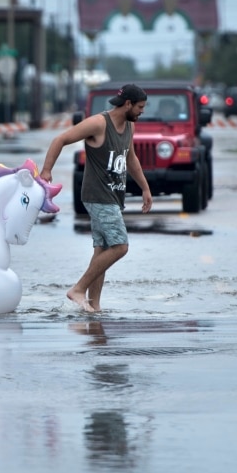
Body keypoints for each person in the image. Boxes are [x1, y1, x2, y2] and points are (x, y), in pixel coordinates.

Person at [39, 83, 152, 313]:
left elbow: (131, 159)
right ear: (127, 104)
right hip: (97, 195)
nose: (142, 111)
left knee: (102, 250)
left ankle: (94, 305)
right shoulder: (99, 123)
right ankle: (78, 289)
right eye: (140, 107)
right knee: (120, 246)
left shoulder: (129, 126)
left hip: (113, 195)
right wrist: (46, 170)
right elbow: (60, 139)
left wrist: (145, 188)